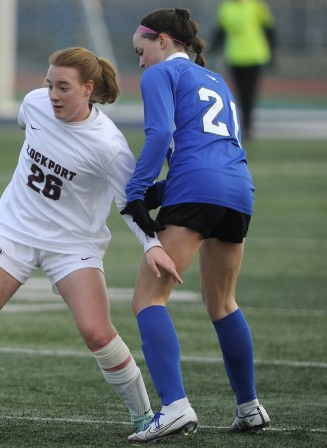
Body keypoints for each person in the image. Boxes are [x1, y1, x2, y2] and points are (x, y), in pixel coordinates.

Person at [0, 46, 183, 434]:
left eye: (63, 88)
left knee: (98, 333)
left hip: (73, 247)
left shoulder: (110, 146)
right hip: (13, 232)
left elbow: (129, 201)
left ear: (88, 89)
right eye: (49, 84)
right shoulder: (33, 105)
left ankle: (142, 414)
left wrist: (152, 245)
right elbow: (28, 126)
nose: (52, 95)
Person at [120, 8, 270, 443]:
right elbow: (213, 149)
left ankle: (174, 406)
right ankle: (249, 406)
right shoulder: (216, 80)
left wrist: (138, 190)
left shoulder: (159, 75)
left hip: (197, 189)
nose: (141, 61)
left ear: (163, 41)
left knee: (148, 298)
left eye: (141, 50)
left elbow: (158, 135)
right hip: (239, 191)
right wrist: (164, 190)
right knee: (223, 303)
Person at [210, 0, 276, 138]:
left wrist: (272, 53)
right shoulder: (226, 7)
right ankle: (244, 122)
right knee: (239, 91)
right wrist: (213, 49)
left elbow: (269, 29)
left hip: (254, 55)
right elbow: (220, 31)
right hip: (234, 56)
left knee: (249, 92)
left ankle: (247, 124)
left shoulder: (256, 6)